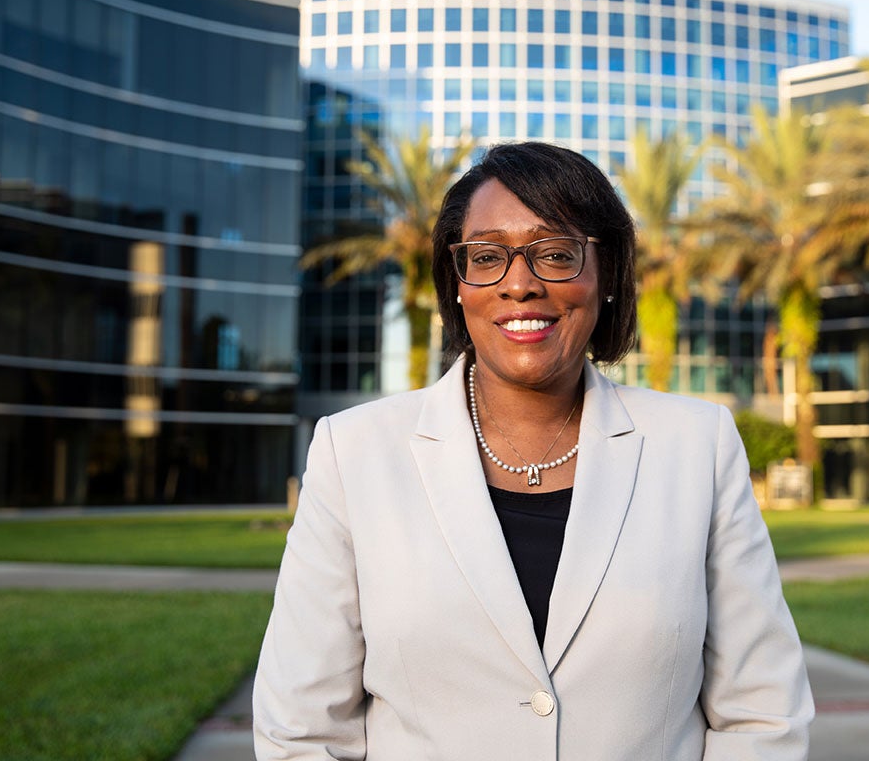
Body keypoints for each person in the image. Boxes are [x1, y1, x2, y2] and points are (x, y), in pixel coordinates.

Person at [253, 142, 814, 760]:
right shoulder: (353, 453)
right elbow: (300, 730)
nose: (519, 284)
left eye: (554, 254)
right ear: (457, 287)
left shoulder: (697, 446)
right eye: (487, 256)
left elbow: (763, 713)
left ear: (605, 276)